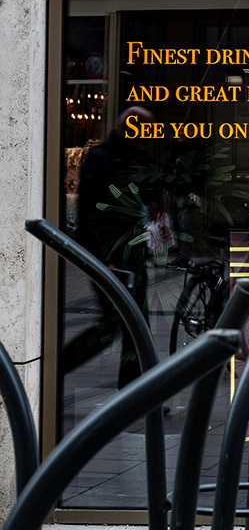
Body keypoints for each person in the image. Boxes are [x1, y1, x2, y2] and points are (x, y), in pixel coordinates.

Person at [63, 105, 157, 385]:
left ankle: (135, 391)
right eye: (145, 130)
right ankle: (54, 369)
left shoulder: (138, 158)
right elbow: (88, 215)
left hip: (133, 256)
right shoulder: (101, 157)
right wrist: (103, 260)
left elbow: (143, 199)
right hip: (110, 258)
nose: (149, 135)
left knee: (136, 325)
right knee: (113, 325)